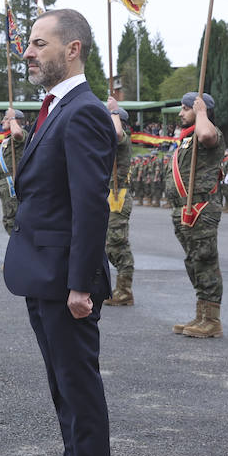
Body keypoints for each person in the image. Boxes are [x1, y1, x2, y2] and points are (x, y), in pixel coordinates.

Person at [2, 9, 114, 456]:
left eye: (39, 43)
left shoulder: (83, 111)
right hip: (42, 275)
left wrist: (82, 285)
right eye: (28, 43)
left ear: (71, 49)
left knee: (79, 393)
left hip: (65, 282)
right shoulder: (54, 108)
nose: (28, 52)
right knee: (63, 393)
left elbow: (91, 206)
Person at [167, 92, 225, 338]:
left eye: (185, 108)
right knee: (193, 261)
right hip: (184, 207)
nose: (181, 113)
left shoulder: (208, 133)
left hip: (201, 207)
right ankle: (201, 314)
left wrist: (201, 113)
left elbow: (207, 135)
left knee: (205, 260)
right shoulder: (187, 138)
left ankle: (212, 320)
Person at [103, 98, 135, 307]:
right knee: (106, 242)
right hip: (108, 194)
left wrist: (113, 111)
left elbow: (116, 133)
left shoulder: (121, 138)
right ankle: (117, 287)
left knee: (116, 243)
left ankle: (124, 290)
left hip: (118, 195)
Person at [0, 110, 26, 237]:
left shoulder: (19, 134)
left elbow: (18, 134)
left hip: (12, 183)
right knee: (8, 220)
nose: (3, 121)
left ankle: (20, 253)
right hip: (5, 184)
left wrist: (12, 117)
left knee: (13, 221)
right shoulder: (8, 139)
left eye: (5, 118)